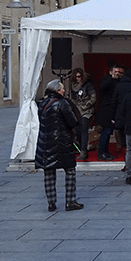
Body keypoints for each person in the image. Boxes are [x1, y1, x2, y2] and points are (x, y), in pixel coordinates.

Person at [35, 79, 84, 211]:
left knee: (49, 171)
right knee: (70, 171)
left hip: (45, 142)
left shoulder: (42, 103)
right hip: (62, 142)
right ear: (57, 90)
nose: (63, 90)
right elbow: (73, 122)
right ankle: (70, 201)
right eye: (62, 88)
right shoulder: (62, 103)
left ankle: (51, 203)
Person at [66, 67, 97, 161]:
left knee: (84, 130)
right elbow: (70, 97)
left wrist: (85, 105)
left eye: (79, 77)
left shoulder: (88, 85)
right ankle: (81, 148)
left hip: (85, 111)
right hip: (76, 110)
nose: (77, 79)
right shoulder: (72, 86)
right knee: (77, 130)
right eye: (75, 77)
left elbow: (93, 98)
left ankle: (84, 151)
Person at [94, 63, 122, 160]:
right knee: (105, 132)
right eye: (115, 72)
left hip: (112, 110)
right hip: (105, 110)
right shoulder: (106, 79)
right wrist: (111, 78)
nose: (117, 73)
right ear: (110, 72)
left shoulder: (118, 81)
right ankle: (101, 153)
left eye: (119, 72)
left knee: (108, 132)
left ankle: (105, 152)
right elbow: (102, 87)